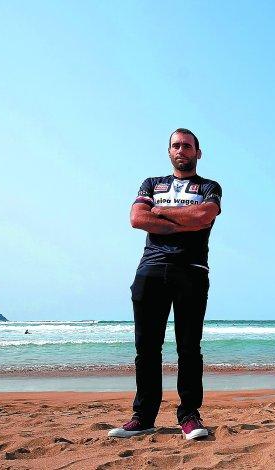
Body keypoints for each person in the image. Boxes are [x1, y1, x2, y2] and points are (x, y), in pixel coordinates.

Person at [108, 128, 222, 440]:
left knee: (189, 348)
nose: (181, 150)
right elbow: (136, 217)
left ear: (198, 152)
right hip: (151, 269)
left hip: (192, 271)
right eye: (176, 145)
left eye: (187, 145)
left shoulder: (209, 186)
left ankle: (189, 416)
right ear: (168, 151)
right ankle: (143, 417)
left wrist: (159, 211)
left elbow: (204, 215)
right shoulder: (151, 184)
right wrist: (179, 224)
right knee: (147, 348)